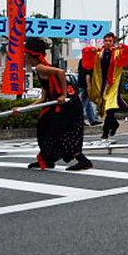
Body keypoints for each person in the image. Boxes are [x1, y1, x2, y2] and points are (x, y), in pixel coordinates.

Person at [24, 37, 93, 171]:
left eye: (26, 55)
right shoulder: (40, 69)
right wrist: (24, 108)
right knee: (44, 127)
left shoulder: (41, 67)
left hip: (69, 104)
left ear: (33, 55)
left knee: (63, 133)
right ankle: (47, 159)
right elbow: (44, 98)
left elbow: (61, 72)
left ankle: (83, 161)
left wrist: (63, 95)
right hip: (61, 104)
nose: (25, 58)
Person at [83, 33, 128, 140]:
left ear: (113, 42)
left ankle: (105, 133)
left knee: (109, 106)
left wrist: (122, 46)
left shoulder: (118, 53)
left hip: (113, 84)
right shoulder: (99, 53)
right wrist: (91, 50)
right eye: (106, 40)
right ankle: (114, 124)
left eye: (110, 41)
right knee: (104, 107)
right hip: (102, 83)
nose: (108, 43)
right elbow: (87, 60)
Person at [77, 53, 100, 126]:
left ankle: (92, 120)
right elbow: (88, 75)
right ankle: (79, 121)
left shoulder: (82, 60)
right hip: (85, 86)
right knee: (83, 104)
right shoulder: (88, 62)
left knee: (88, 104)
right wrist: (89, 87)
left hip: (81, 84)